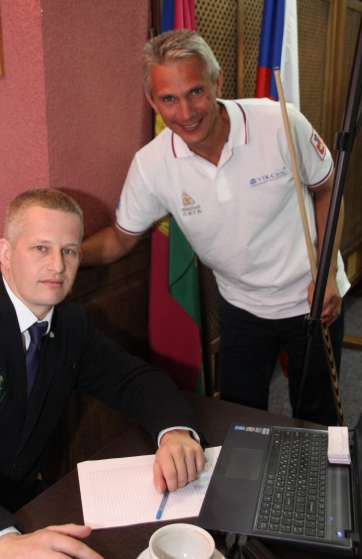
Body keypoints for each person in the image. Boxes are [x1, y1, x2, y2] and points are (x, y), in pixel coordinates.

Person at [81, 29, 350, 426]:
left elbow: (327, 189)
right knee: (238, 420)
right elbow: (121, 238)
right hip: (240, 306)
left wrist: (325, 274)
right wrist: (65, 255)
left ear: (217, 81)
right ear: (152, 101)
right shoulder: (151, 165)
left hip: (311, 296)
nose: (186, 112)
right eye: (168, 99)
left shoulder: (279, 121)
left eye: (195, 92)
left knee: (317, 420)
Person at [0, 188, 205, 559]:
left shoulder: (69, 324)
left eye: (69, 251)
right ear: (6, 254)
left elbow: (135, 380)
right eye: (41, 248)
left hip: (24, 505)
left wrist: (174, 433)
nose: (58, 266)